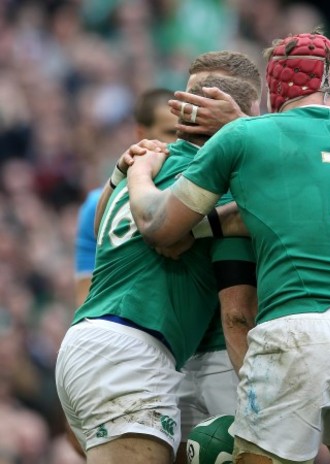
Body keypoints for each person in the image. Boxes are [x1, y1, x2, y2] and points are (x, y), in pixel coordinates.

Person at [125, 31, 330, 464]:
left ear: (274, 89)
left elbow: (158, 227)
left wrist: (138, 173)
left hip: (295, 330)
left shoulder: (248, 137)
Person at [56, 73, 259, 464]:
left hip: (89, 343)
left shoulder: (139, 171)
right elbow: (272, 213)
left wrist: (127, 171)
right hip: (132, 353)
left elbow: (102, 229)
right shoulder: (217, 183)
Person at [74, 88, 177, 306]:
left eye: (185, 132)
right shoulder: (98, 205)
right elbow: (86, 297)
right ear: (141, 134)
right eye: (170, 132)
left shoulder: (202, 193)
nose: (179, 142)